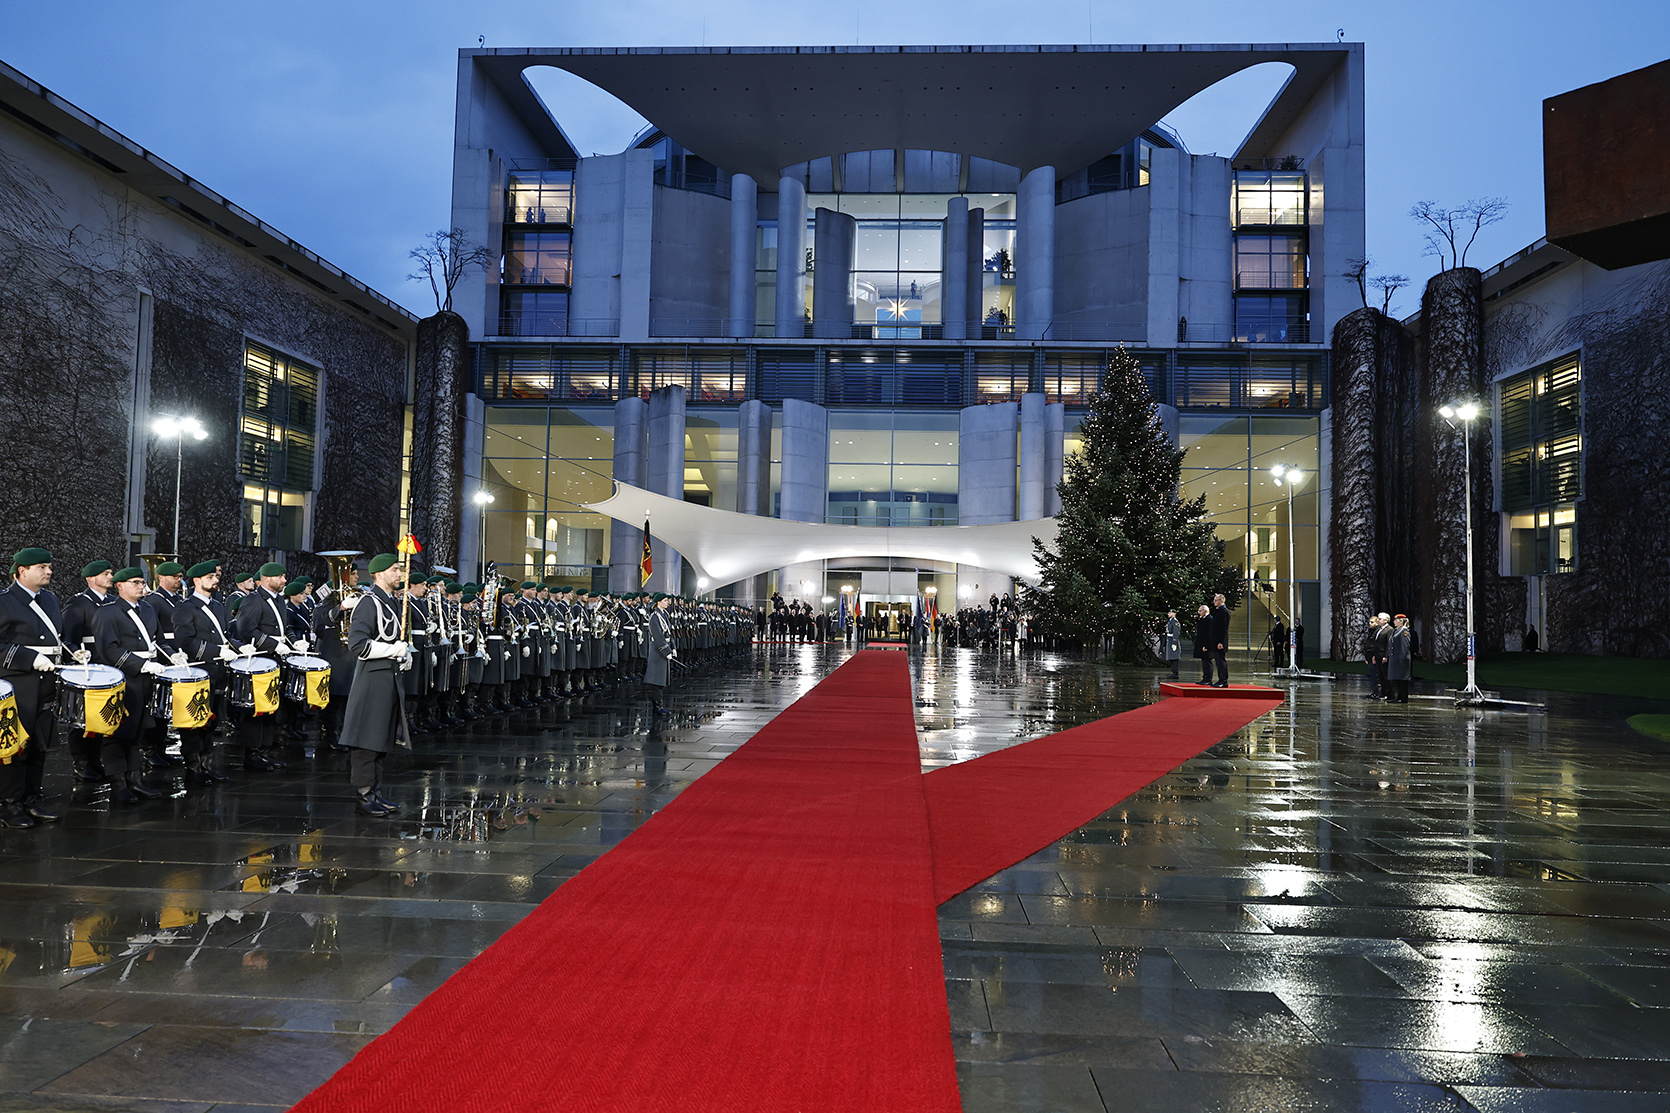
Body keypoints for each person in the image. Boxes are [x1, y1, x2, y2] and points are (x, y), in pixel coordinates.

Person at [92, 567, 179, 804]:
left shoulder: (147, 609)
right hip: (123, 679)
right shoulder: (107, 613)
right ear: (120, 586)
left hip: (146, 678)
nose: (141, 586)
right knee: (117, 732)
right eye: (135, 582)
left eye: (142, 582)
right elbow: (108, 649)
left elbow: (158, 641)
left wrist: (172, 655)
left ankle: (135, 779)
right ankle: (118, 784)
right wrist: (141, 664)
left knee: (138, 730)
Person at [0, 547, 68, 827]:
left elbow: (56, 639)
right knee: (16, 745)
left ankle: (31, 799)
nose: (48, 571)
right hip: (18, 683)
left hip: (45, 683)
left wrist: (72, 653)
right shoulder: (5, 602)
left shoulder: (50, 599)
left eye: (49, 566)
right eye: (41, 567)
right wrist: (29, 658)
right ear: (21, 571)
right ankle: (10, 804)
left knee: (39, 744)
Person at [339, 553, 411, 816]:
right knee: (366, 739)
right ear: (379, 573)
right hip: (371, 679)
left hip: (387, 677)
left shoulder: (389, 601)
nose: (399, 574)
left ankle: (375, 791)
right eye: (394, 570)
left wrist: (403, 654)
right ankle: (364, 794)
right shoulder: (369, 603)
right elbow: (357, 644)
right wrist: (392, 650)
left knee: (381, 738)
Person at [169, 560, 237, 783]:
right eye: (210, 577)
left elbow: (225, 636)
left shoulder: (218, 606)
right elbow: (185, 641)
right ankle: (193, 768)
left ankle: (207, 765)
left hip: (217, 672)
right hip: (197, 673)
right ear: (197, 581)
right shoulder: (185, 607)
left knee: (211, 722)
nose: (216, 580)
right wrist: (217, 651)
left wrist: (239, 647)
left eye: (216, 577)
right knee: (193, 723)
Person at [233, 562, 302, 770]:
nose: (284, 580)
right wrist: (274, 645)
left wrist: (294, 642)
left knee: (272, 706)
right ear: (265, 579)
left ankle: (264, 751)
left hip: (276, 659)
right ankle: (252, 754)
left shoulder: (279, 600)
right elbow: (246, 630)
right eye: (280, 577)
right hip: (261, 659)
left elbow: (284, 628)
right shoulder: (253, 600)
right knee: (258, 709)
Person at [60, 559, 115, 784]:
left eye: (111, 573)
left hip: (107, 667)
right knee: (82, 719)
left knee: (101, 717)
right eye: (105, 574)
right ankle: (81, 763)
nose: (111, 577)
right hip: (87, 669)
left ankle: (95, 760)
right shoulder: (79, 603)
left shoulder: (112, 602)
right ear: (91, 578)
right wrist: (75, 654)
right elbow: (68, 638)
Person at [645, 592, 675, 718]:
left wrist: (673, 647)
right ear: (658, 602)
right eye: (665, 600)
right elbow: (657, 636)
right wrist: (666, 651)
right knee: (656, 679)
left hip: (664, 649)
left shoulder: (664, 614)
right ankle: (657, 706)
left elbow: (668, 632)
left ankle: (659, 704)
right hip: (658, 650)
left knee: (661, 679)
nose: (667, 602)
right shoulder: (654, 617)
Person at [1208, 593, 1232, 687]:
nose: (1214, 602)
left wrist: (1220, 641)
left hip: (1220, 641)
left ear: (1221, 601)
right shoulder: (1219, 611)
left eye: (1215, 600)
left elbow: (1223, 628)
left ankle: (1223, 680)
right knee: (1218, 661)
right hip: (1217, 640)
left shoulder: (1224, 612)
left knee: (1221, 661)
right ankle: (1221, 679)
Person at [1387, 614, 1412, 703]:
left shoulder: (1404, 631)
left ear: (1401, 621)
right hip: (1395, 658)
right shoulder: (1396, 631)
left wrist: (1402, 658)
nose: (1394, 622)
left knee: (1402, 679)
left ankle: (1403, 698)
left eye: (1396, 620)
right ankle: (1399, 696)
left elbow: (1404, 646)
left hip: (1401, 658)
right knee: (1397, 679)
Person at [1361, 614, 1383, 699]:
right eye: (1370, 622)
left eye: (1372, 622)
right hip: (1370, 656)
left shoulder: (1377, 631)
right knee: (1373, 675)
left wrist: (1374, 656)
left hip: (1374, 656)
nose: (1370, 624)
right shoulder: (1372, 631)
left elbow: (1375, 645)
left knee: (1376, 676)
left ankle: (1377, 692)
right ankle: (1375, 691)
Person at [1374, 612, 1393, 701]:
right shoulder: (1379, 629)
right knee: (1380, 675)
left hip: (1383, 656)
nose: (1378, 620)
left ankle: (1389, 693)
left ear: (1386, 620)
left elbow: (1389, 644)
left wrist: (1386, 656)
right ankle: (1383, 692)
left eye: (1380, 619)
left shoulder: (1389, 630)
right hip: (1378, 655)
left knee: (1385, 675)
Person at [1192, 604, 1213, 684]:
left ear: (1205, 611)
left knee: (1207, 661)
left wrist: (1206, 645)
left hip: (1206, 645)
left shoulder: (1209, 619)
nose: (1199, 612)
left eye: (1200, 611)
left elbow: (1209, 634)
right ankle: (1205, 677)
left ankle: (1208, 679)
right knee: (1204, 661)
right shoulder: (1204, 619)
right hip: (1202, 644)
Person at [1163, 610, 1181, 679]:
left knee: (1174, 658)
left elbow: (1176, 632)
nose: (1168, 614)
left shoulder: (1175, 621)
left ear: (1174, 613)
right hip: (1169, 640)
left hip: (1172, 640)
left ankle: (1175, 673)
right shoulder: (1170, 621)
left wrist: (1174, 642)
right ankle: (1174, 672)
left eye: (1170, 613)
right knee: (1171, 657)